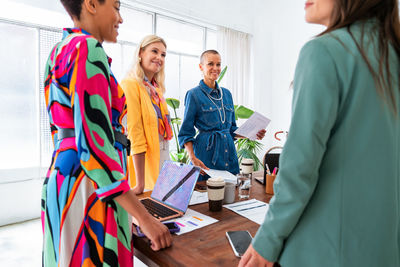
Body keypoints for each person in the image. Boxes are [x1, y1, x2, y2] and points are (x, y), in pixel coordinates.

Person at [239, 0, 400, 266]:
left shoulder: (324, 52)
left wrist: (266, 242)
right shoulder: (390, 56)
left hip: (323, 250)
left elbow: (298, 169)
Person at [41, 0, 171, 265]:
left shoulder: (58, 50)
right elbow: (95, 148)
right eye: (116, 7)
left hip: (64, 178)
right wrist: (145, 219)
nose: (120, 18)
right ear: (90, 4)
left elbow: (64, 130)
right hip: (90, 186)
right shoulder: (88, 48)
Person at [178, 50, 265, 180]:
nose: (215, 68)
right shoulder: (194, 95)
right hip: (206, 158)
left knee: (232, 197)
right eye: (210, 64)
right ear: (201, 67)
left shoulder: (227, 94)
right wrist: (192, 158)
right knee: (206, 197)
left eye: (218, 64)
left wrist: (252, 133)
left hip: (229, 157)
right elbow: (186, 132)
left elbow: (231, 130)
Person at [121, 35, 172, 194]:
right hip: (143, 168)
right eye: (154, 51)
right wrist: (140, 184)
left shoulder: (156, 89)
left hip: (162, 160)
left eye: (163, 54)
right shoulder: (130, 85)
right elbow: (135, 134)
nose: (159, 57)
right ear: (140, 53)